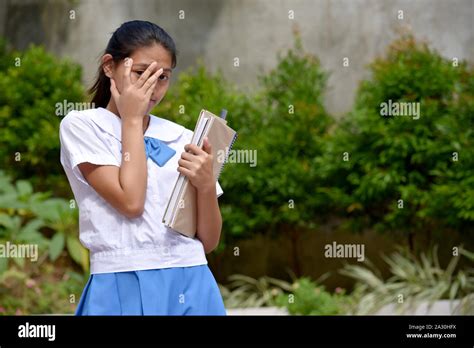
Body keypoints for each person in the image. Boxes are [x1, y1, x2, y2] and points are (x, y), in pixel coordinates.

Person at [59, 20, 226, 315]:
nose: (153, 88)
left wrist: (206, 184)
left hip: (192, 278)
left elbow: (209, 241)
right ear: (109, 66)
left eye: (163, 77)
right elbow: (131, 202)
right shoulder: (83, 126)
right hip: (121, 278)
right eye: (141, 73)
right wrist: (132, 120)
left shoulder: (182, 137)